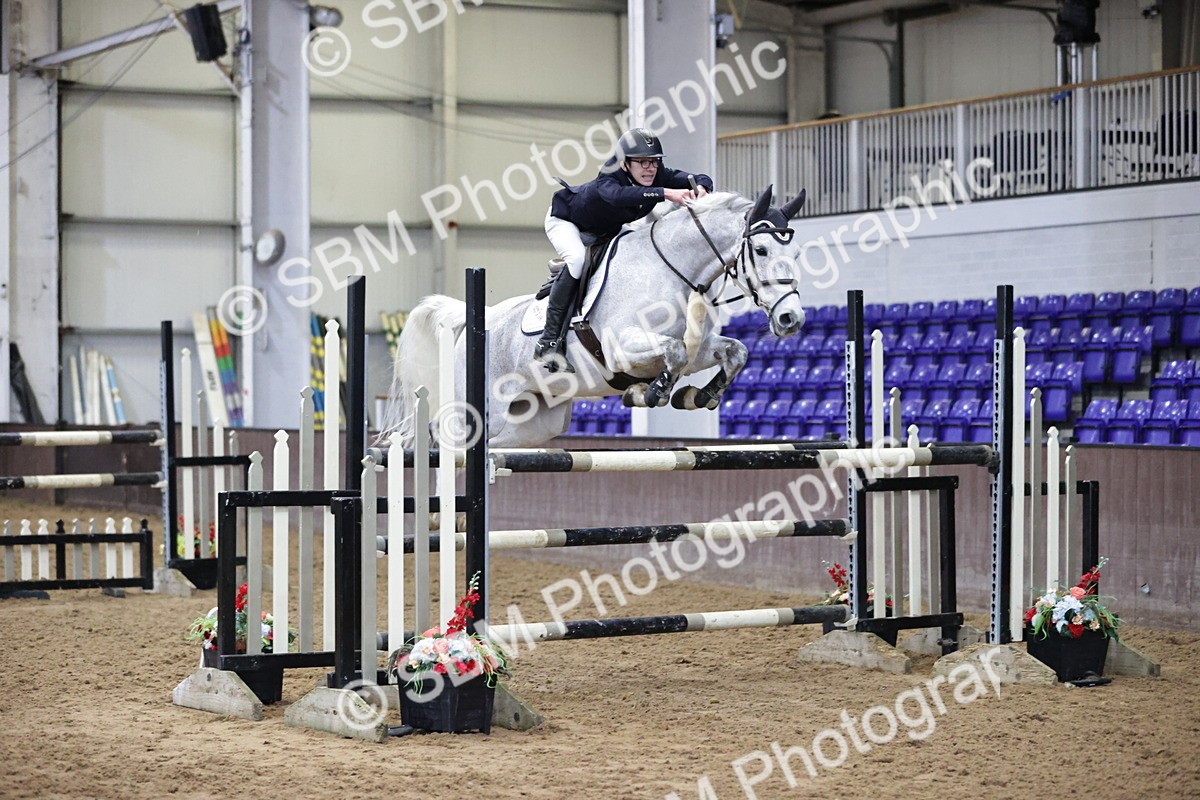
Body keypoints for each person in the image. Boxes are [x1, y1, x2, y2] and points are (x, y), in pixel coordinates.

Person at [535, 127, 714, 372]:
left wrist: (702, 187)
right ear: (624, 164)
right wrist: (667, 193)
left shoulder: (656, 174)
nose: (650, 168)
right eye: (642, 162)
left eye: (654, 162)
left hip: (607, 231)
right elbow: (619, 197)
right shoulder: (607, 178)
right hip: (569, 223)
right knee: (577, 259)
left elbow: (698, 177)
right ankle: (549, 342)